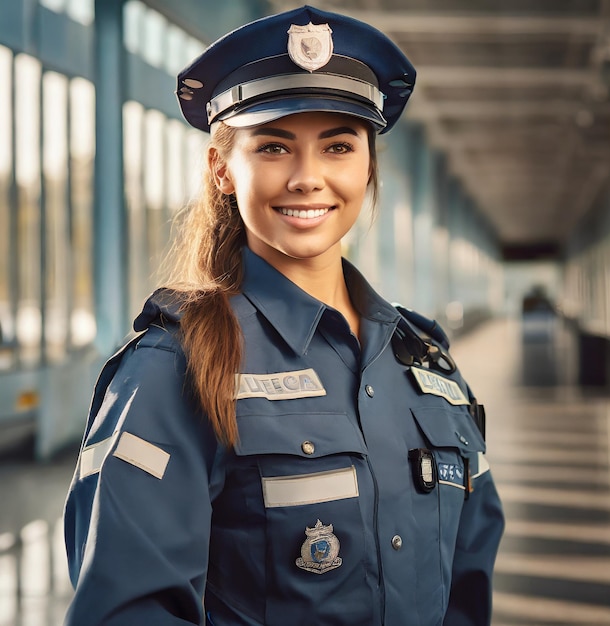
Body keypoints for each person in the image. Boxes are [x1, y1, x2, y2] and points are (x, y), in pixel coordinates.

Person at [63, 5, 504, 625]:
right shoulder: (176, 368)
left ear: (367, 165)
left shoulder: (425, 366)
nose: (308, 177)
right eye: (274, 146)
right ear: (222, 169)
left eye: (338, 146)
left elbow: (468, 586)